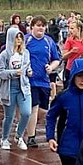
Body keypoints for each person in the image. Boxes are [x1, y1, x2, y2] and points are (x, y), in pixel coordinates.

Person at [24, 16, 61, 147]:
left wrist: (51, 67)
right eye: (38, 25)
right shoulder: (26, 40)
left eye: (43, 26)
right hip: (30, 80)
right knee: (33, 108)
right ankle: (31, 137)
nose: (41, 28)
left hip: (44, 80)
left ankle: (27, 126)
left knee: (43, 110)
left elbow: (56, 59)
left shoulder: (49, 41)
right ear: (32, 26)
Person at [0, 28, 32, 150]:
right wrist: (13, 73)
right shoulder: (4, 55)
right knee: (9, 116)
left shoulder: (25, 53)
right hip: (9, 88)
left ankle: (19, 135)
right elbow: (0, 72)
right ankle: (5, 138)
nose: (19, 40)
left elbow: (27, 67)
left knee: (26, 113)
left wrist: (29, 72)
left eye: (21, 37)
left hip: (23, 87)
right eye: (16, 37)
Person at [61, 19, 83, 83]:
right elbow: (63, 56)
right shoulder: (69, 41)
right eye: (69, 28)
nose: (70, 30)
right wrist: (71, 52)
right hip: (71, 69)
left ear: (78, 29)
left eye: (72, 28)